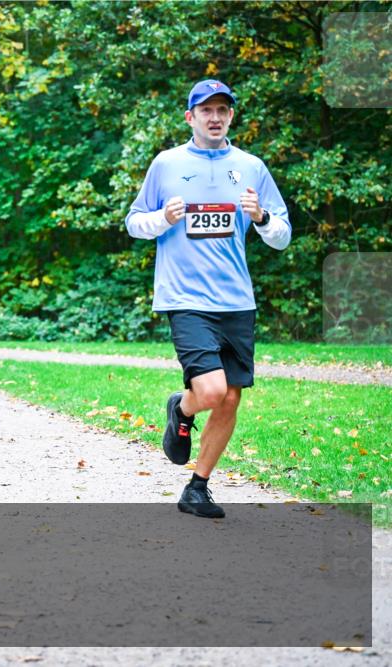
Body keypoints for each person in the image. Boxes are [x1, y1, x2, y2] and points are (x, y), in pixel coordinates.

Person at [125, 79, 291, 519]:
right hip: (186, 296)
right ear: (190, 117)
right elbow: (134, 223)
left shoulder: (251, 166)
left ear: (231, 116)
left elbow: (282, 236)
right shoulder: (167, 164)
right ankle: (180, 406)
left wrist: (261, 216)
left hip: (236, 299)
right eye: (206, 111)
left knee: (232, 398)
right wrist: (162, 217)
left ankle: (197, 487)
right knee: (213, 391)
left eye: (222, 110)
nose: (214, 118)